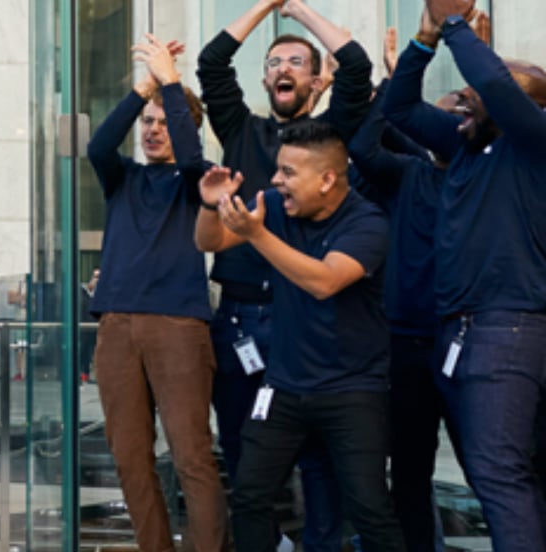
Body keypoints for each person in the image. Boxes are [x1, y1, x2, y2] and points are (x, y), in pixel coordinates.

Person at [198, 3, 373, 545]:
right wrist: (265, 7)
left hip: (304, 314)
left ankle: (321, 543)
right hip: (239, 318)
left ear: (317, 82)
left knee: (319, 458)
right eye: (274, 63)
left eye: (297, 62)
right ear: (264, 79)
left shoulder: (329, 139)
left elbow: (357, 68)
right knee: (241, 447)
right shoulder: (241, 129)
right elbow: (211, 63)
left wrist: (298, 9)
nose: (283, 69)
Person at [195, 119, 402, 551]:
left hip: (352, 389)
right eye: (278, 169)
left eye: (288, 172)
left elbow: (324, 281)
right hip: (284, 387)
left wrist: (257, 234)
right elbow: (209, 242)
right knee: (250, 496)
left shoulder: (368, 223)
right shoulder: (275, 205)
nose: (275, 180)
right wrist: (211, 205)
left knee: (369, 508)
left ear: (326, 180)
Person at [382, 2, 546, 547]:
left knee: (498, 472)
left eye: (472, 101)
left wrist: (453, 23)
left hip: (506, 329)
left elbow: (495, 84)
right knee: (496, 470)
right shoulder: (464, 144)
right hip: (459, 331)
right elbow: (400, 107)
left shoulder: (532, 143)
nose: (461, 107)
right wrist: (424, 40)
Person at [85, 35, 227, 552]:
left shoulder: (197, 181)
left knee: (191, 455)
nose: (152, 130)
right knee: (128, 456)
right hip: (116, 325)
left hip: (178, 326)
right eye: (147, 122)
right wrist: (143, 90)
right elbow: (98, 146)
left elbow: (192, 160)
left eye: (165, 122)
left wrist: (171, 84)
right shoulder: (122, 178)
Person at [349, 25, 469, 551]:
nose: (445, 124)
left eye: (457, 115)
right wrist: (396, 81)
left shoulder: (485, 176)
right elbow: (365, 142)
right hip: (403, 344)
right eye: (433, 118)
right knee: (410, 469)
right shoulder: (409, 172)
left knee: (487, 463)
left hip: (465, 342)